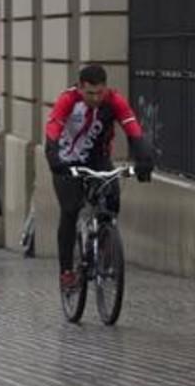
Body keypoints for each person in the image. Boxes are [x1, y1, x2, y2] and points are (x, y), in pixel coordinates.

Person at [46, 64, 154, 291]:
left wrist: (144, 160)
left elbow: (133, 128)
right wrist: (53, 157)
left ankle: (105, 245)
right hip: (66, 161)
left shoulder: (114, 101)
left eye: (100, 93)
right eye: (90, 93)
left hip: (98, 159)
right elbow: (53, 128)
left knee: (112, 198)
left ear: (106, 88)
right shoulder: (68, 100)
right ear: (80, 88)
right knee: (70, 210)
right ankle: (66, 271)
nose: (96, 98)